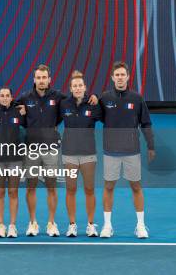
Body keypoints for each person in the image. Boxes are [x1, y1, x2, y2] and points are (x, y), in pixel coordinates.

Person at [17, 64, 97, 237]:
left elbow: (77, 100)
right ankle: (32, 223)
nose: (41, 80)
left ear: (49, 79)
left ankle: (51, 223)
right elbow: (9, 107)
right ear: (34, 79)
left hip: (51, 148)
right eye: (38, 78)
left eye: (44, 77)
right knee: (31, 186)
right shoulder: (24, 98)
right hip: (31, 148)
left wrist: (94, 97)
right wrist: (19, 111)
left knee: (51, 187)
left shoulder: (59, 97)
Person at [99, 61, 155, 239]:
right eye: (117, 75)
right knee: (108, 187)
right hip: (111, 151)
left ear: (128, 77)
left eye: (123, 74)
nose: (120, 77)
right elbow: (92, 116)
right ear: (112, 77)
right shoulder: (104, 98)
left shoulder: (137, 99)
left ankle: (140, 226)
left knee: (136, 187)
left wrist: (151, 146)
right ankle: (107, 226)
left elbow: (146, 123)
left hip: (132, 151)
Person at [59, 71, 102, 237]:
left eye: (80, 86)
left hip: (88, 154)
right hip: (69, 154)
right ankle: (72, 225)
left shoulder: (93, 104)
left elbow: (105, 109)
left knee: (89, 189)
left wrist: (96, 97)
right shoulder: (63, 104)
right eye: (74, 86)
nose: (77, 88)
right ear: (70, 88)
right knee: (70, 189)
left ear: (85, 88)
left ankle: (91, 225)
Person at [0, 87, 25, 238]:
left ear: (11, 97)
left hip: (15, 159)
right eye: (2, 96)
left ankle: (12, 226)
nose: (4, 98)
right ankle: (1, 225)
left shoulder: (19, 112)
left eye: (7, 96)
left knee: (13, 192)